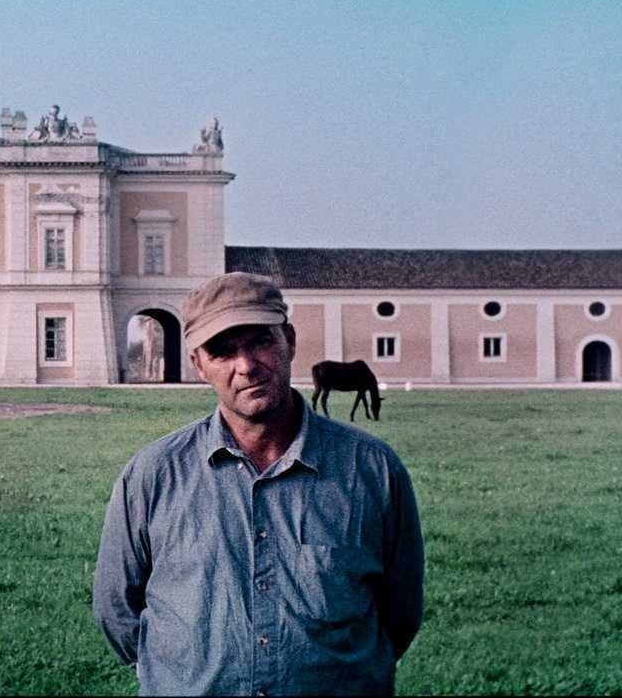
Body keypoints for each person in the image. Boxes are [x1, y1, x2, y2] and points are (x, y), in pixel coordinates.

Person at [93, 272, 424, 695]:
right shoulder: (153, 475)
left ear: (289, 339)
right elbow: (117, 612)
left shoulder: (373, 471)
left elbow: (399, 615)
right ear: (198, 364)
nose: (246, 365)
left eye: (260, 341)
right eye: (222, 351)